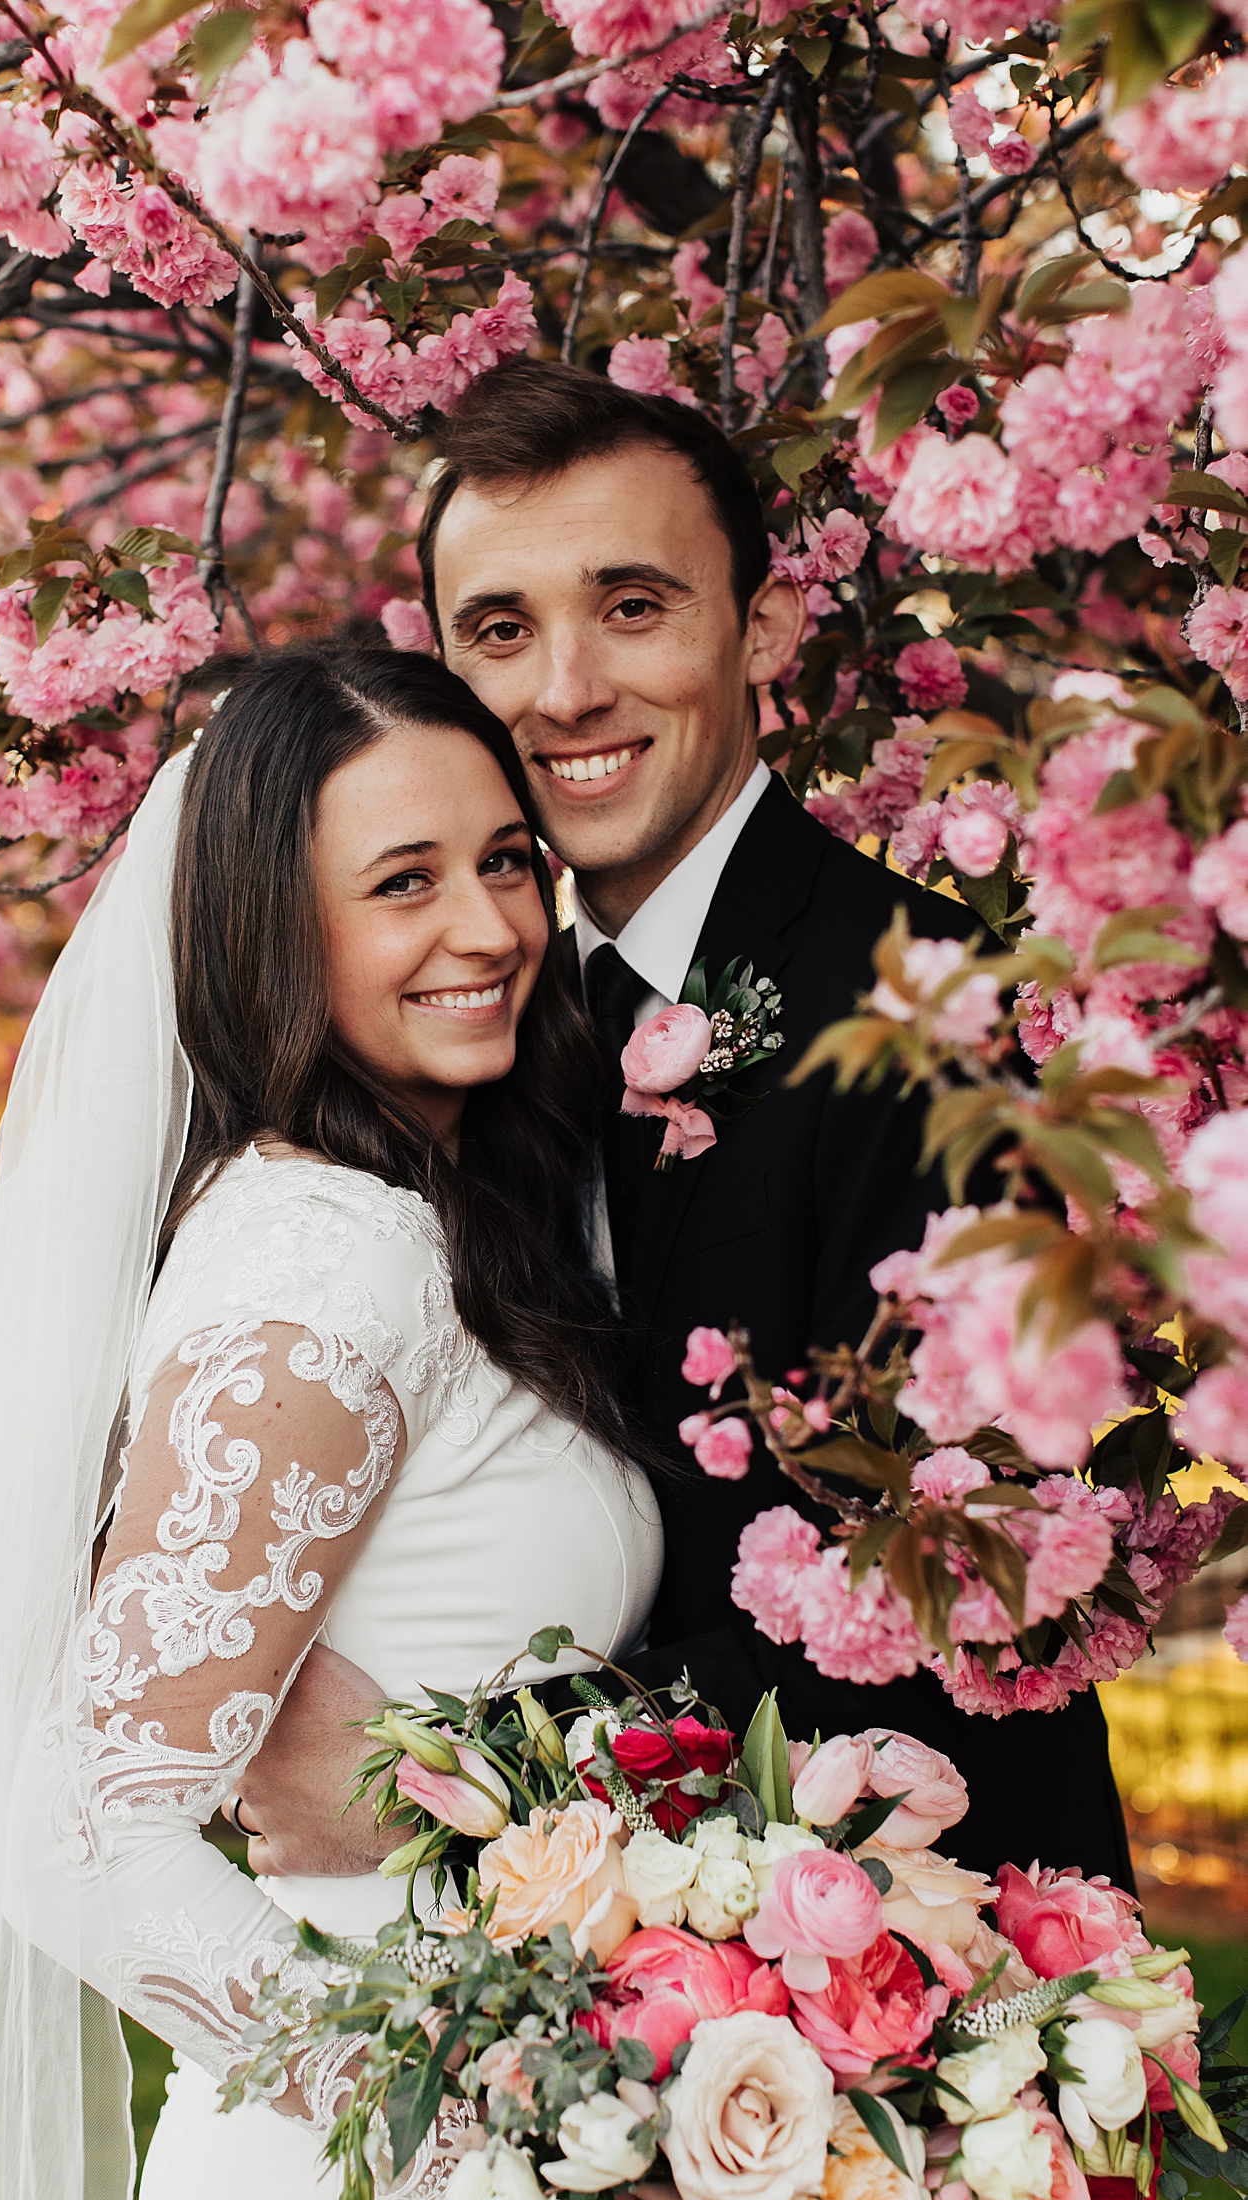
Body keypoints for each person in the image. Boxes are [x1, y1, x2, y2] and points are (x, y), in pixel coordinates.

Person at [0, 643, 662, 2200]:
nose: (491, 927)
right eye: (404, 883)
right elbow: (80, 1833)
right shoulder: (327, 1264)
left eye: (506, 861)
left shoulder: (441, 1222)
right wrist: (476, 2138)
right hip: (382, 2174)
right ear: (277, 932)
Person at [240, 365, 1132, 1918]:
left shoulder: (933, 1016)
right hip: (591, 1983)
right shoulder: (481, 1020)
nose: (564, 690)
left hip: (915, 1963)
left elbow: (941, 1592)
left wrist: (455, 1760)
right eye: (501, 631)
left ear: (765, 630)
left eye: (633, 606)